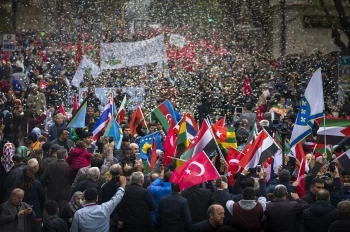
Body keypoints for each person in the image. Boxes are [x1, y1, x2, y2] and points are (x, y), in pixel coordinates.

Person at [16, 166, 45, 232]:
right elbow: (42, 198)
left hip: (22, 212)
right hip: (36, 212)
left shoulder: (19, 184)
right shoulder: (37, 184)